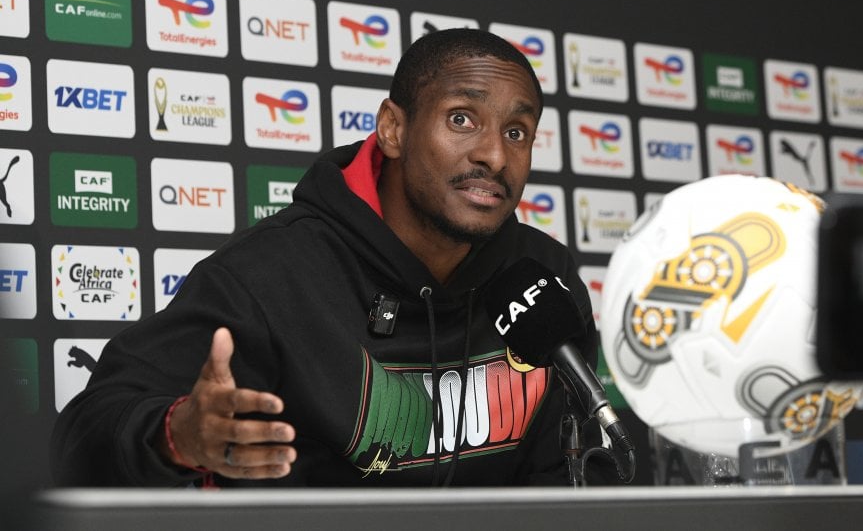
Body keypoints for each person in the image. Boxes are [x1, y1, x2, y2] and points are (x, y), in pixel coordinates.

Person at [51, 28, 600, 488]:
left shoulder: (544, 279)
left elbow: (575, 475)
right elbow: (85, 432)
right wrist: (179, 435)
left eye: (517, 132)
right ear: (393, 129)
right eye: (462, 119)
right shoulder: (270, 276)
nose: (494, 154)